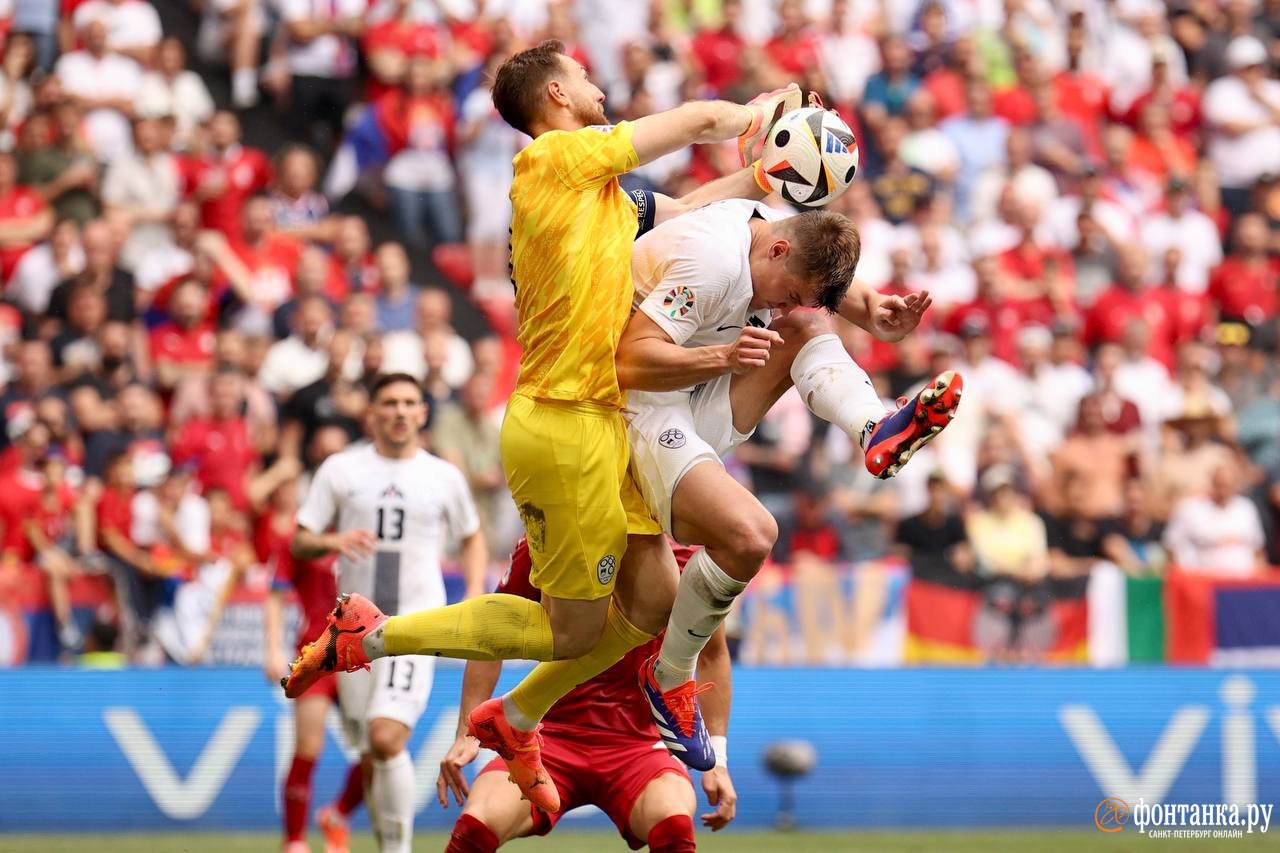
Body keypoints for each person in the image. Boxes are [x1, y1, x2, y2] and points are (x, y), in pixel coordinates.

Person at [282, 38, 802, 812]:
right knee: (570, 634)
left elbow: (692, 209)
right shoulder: (552, 161)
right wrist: (767, 114)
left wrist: (767, 174)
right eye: (585, 78)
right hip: (565, 422)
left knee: (657, 604)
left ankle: (518, 711)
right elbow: (695, 119)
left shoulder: (601, 198)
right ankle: (373, 635)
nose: (598, 86)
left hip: (600, 420)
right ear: (556, 96)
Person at [613, 199, 959, 762]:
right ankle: (667, 675)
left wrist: (875, 312)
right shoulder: (710, 260)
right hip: (636, 406)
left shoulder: (772, 234)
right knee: (751, 536)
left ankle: (873, 428)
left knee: (806, 323)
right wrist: (725, 356)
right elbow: (628, 362)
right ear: (776, 249)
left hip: (692, 393)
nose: (782, 305)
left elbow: (828, 291)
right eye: (789, 289)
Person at [290, 373, 488, 853]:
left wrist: (477, 592)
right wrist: (331, 540)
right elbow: (299, 538)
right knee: (370, 751)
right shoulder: (341, 470)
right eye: (390, 403)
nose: (400, 411)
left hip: (413, 628)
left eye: (409, 403)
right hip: (352, 633)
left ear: (422, 413)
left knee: (385, 738)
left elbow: (472, 534)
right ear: (372, 413)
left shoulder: (442, 475)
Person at [438, 540, 735, 853]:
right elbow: (492, 631)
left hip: (638, 745)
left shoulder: (688, 560)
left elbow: (712, 656)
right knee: (479, 821)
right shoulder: (549, 542)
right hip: (546, 738)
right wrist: (466, 733)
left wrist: (719, 759)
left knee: (672, 820)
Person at [260, 455, 364, 853]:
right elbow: (275, 594)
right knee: (308, 747)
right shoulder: (301, 540)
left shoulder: (366, 533)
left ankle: (336, 814)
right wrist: (272, 648)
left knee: (378, 749)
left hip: (362, 657)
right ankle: (295, 842)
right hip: (316, 652)